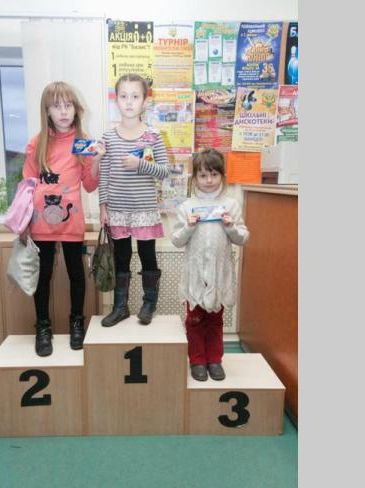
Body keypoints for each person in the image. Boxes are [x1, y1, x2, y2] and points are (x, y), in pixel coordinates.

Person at [21, 81, 105, 356]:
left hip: (71, 221)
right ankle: (43, 327)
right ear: (46, 111)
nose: (64, 111)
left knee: (76, 273)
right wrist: (23, 221)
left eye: (68, 105)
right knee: (42, 275)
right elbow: (27, 184)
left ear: (76, 109)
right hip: (40, 222)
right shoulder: (36, 144)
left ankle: (76, 323)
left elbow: (90, 185)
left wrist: (97, 160)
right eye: (57, 106)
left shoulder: (83, 142)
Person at [170, 149, 249, 381]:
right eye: (203, 175)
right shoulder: (186, 206)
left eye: (214, 174)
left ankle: (215, 359)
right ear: (195, 177)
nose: (209, 180)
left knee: (215, 320)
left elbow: (242, 238)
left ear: (222, 176)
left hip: (219, 274)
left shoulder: (231, 205)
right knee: (194, 320)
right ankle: (197, 360)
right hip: (195, 276)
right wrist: (188, 227)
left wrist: (231, 227)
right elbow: (176, 240)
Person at [99, 73, 170, 327]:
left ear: (144, 101)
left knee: (147, 255)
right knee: (121, 257)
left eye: (135, 96)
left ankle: (149, 304)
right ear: (116, 100)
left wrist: (140, 164)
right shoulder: (108, 137)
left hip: (144, 209)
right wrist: (102, 207)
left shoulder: (152, 135)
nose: (129, 102)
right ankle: (120, 307)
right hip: (117, 210)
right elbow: (104, 173)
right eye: (123, 96)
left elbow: (165, 171)